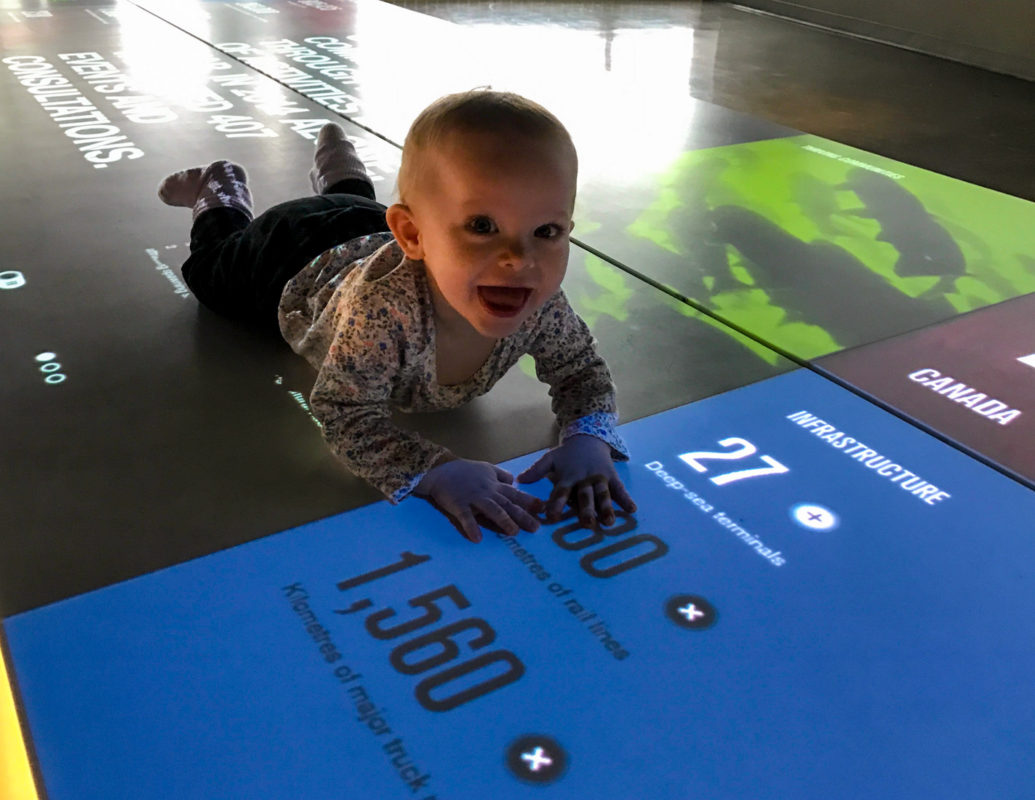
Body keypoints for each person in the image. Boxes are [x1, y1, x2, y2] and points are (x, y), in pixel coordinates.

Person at [158, 89, 635, 543]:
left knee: (358, 208)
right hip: (288, 254)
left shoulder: (540, 302)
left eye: (546, 230)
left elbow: (581, 371)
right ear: (413, 235)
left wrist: (587, 437)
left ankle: (342, 172)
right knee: (208, 274)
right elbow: (344, 412)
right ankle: (219, 190)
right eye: (482, 226)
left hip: (370, 227)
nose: (519, 257)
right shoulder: (384, 314)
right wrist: (433, 469)